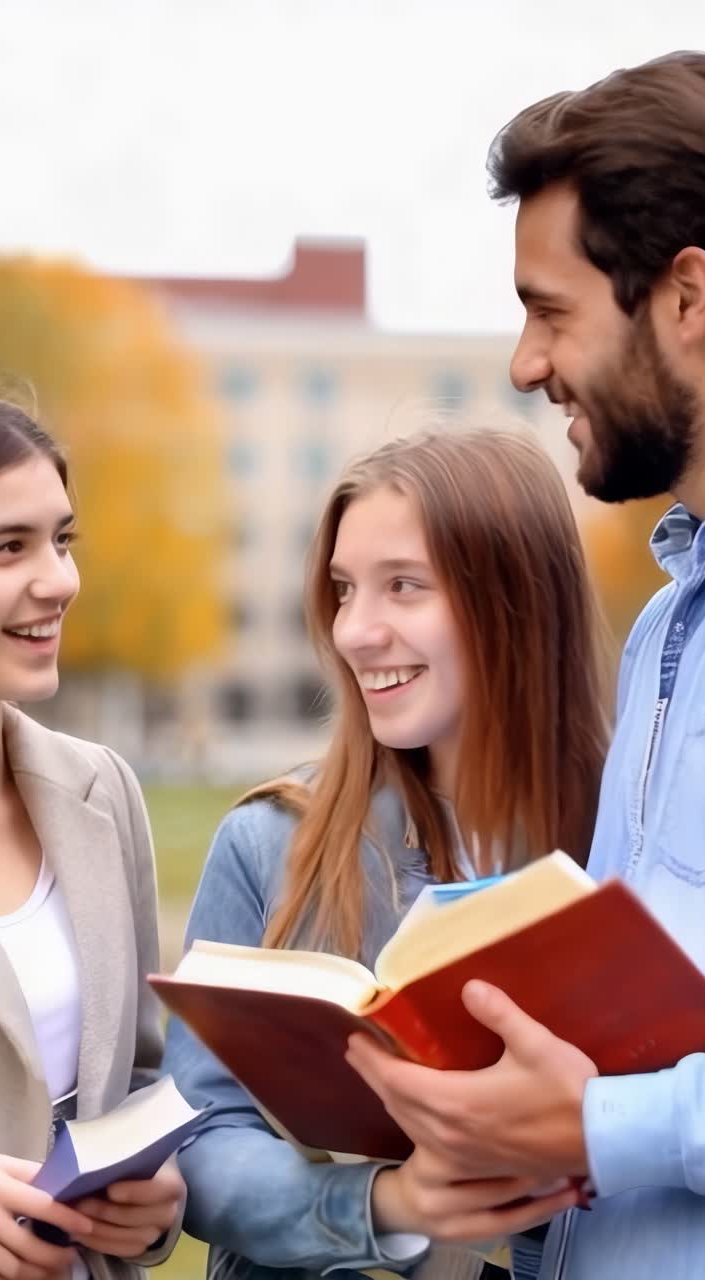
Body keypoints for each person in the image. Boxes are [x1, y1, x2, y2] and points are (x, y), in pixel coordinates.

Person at [345, 49, 705, 1280]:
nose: (525, 363)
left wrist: (601, 1123)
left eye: (551, 312)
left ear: (687, 296)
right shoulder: (664, 633)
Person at [163, 426, 610, 1280]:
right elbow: (202, 1134)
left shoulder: (639, 836)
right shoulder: (270, 842)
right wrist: (387, 1205)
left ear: (515, 598)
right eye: (343, 590)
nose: (354, 632)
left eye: (403, 585)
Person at [0, 402, 184, 1280]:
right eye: (10, 548)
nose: (60, 581)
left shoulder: (103, 790)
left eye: (62, 540)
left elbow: (139, 1080)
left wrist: (158, 1201)